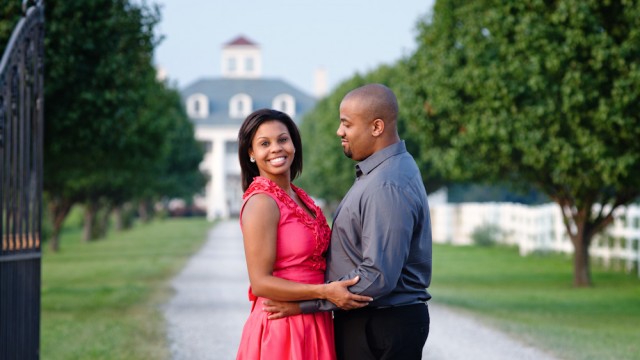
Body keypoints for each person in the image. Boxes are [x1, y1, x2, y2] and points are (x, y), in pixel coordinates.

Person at [263, 84, 433, 359]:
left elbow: (377, 276)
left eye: (347, 124)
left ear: (377, 127)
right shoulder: (383, 171)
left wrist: (308, 303)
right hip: (376, 322)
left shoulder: (385, 184)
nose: (339, 132)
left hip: (379, 325)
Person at [235, 108, 373, 360]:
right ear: (251, 154)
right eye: (264, 143)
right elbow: (260, 282)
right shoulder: (261, 203)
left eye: (282, 139)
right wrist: (324, 292)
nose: (276, 148)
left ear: (294, 145)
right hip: (283, 325)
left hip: (314, 318)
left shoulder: (299, 197)